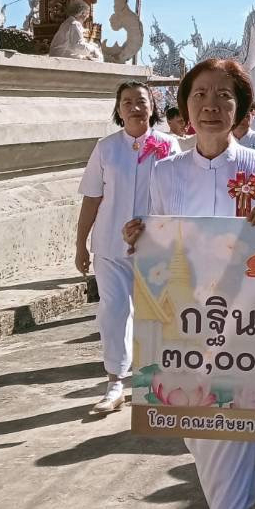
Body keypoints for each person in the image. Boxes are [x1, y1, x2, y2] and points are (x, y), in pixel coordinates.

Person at [123, 57, 255, 509]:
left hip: (250, 331)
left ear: (240, 107)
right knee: (204, 440)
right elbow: (157, 244)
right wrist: (137, 235)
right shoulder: (167, 173)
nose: (212, 105)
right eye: (200, 95)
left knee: (237, 436)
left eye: (224, 95)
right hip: (188, 332)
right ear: (186, 107)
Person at [75, 81, 178, 415]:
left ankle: (154, 383)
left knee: (157, 315)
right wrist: (80, 244)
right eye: (127, 102)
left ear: (153, 106)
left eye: (141, 101)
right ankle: (115, 381)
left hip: (157, 247)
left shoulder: (169, 146)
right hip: (110, 245)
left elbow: (179, 196)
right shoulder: (106, 149)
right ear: (118, 110)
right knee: (115, 310)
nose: (135, 107)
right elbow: (92, 197)